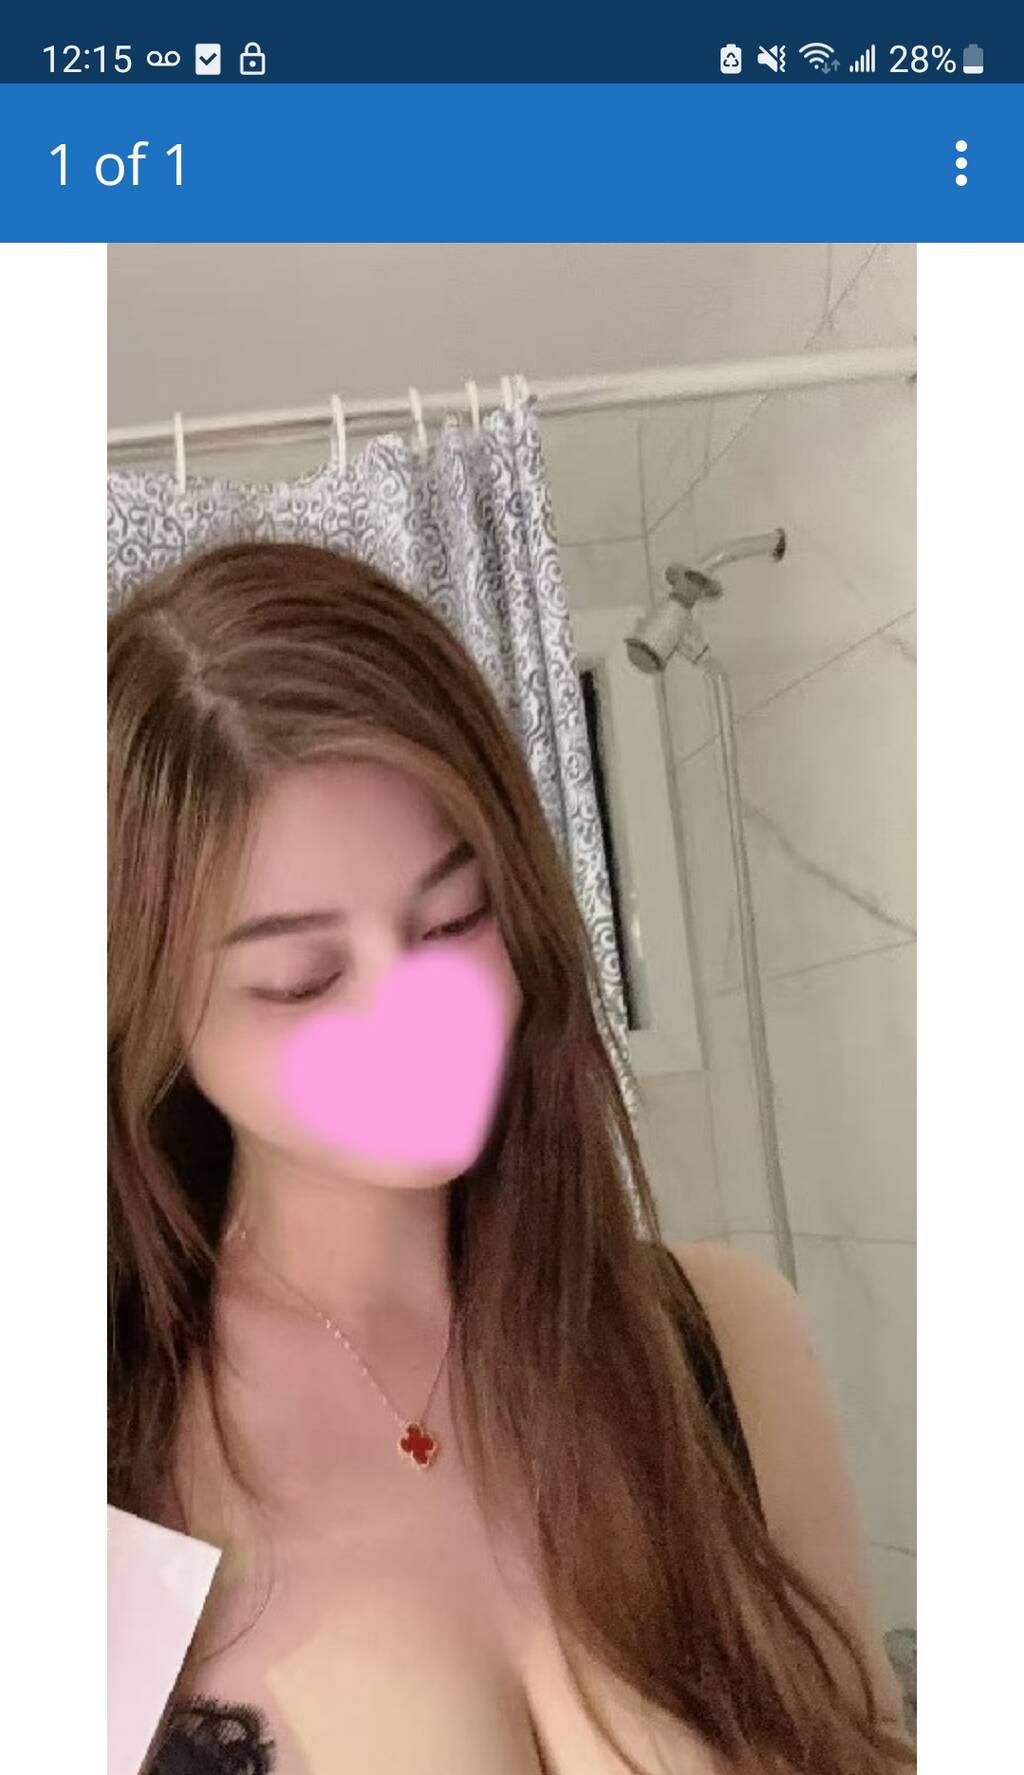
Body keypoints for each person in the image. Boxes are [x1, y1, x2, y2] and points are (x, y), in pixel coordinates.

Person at [108, 540, 914, 1775]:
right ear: (155, 1020)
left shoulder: (721, 1338)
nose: (413, 1017)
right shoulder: (107, 1459)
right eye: (302, 978)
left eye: (452, 917)